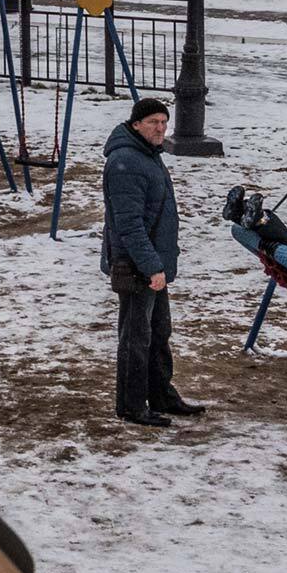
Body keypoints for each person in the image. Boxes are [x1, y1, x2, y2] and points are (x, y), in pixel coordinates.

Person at [101, 95, 205, 428]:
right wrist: (151, 267)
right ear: (136, 125)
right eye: (153, 123)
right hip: (135, 266)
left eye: (163, 122)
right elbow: (129, 225)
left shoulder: (147, 156)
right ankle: (132, 405)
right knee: (135, 338)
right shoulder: (126, 163)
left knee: (159, 332)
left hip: (151, 264)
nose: (160, 128)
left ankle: (160, 394)